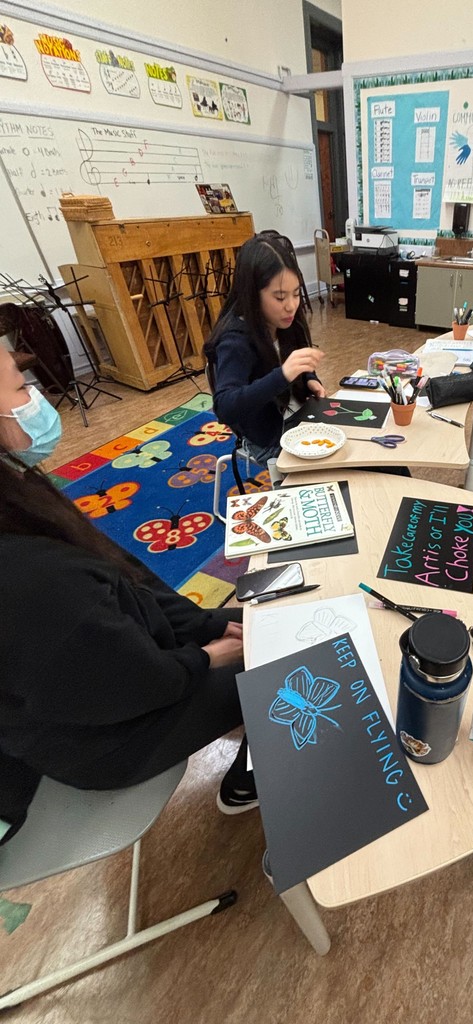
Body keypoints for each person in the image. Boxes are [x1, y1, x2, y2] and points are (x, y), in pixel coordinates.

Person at [0, 346, 257, 846]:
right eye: (19, 387)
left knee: (264, 622)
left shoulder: (18, 496)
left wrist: (204, 625)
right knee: (282, 656)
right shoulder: (29, 578)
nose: (35, 396)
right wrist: (208, 657)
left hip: (116, 668)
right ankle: (252, 778)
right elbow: (127, 683)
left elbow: (122, 573)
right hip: (104, 737)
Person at [204, 231, 326, 466]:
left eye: (296, 294)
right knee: (351, 476)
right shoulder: (235, 339)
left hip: (300, 418)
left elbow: (297, 356)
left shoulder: (286, 321)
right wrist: (282, 376)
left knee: (371, 450)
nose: (291, 306)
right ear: (252, 294)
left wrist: (310, 378)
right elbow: (225, 408)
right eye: (280, 297)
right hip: (268, 441)